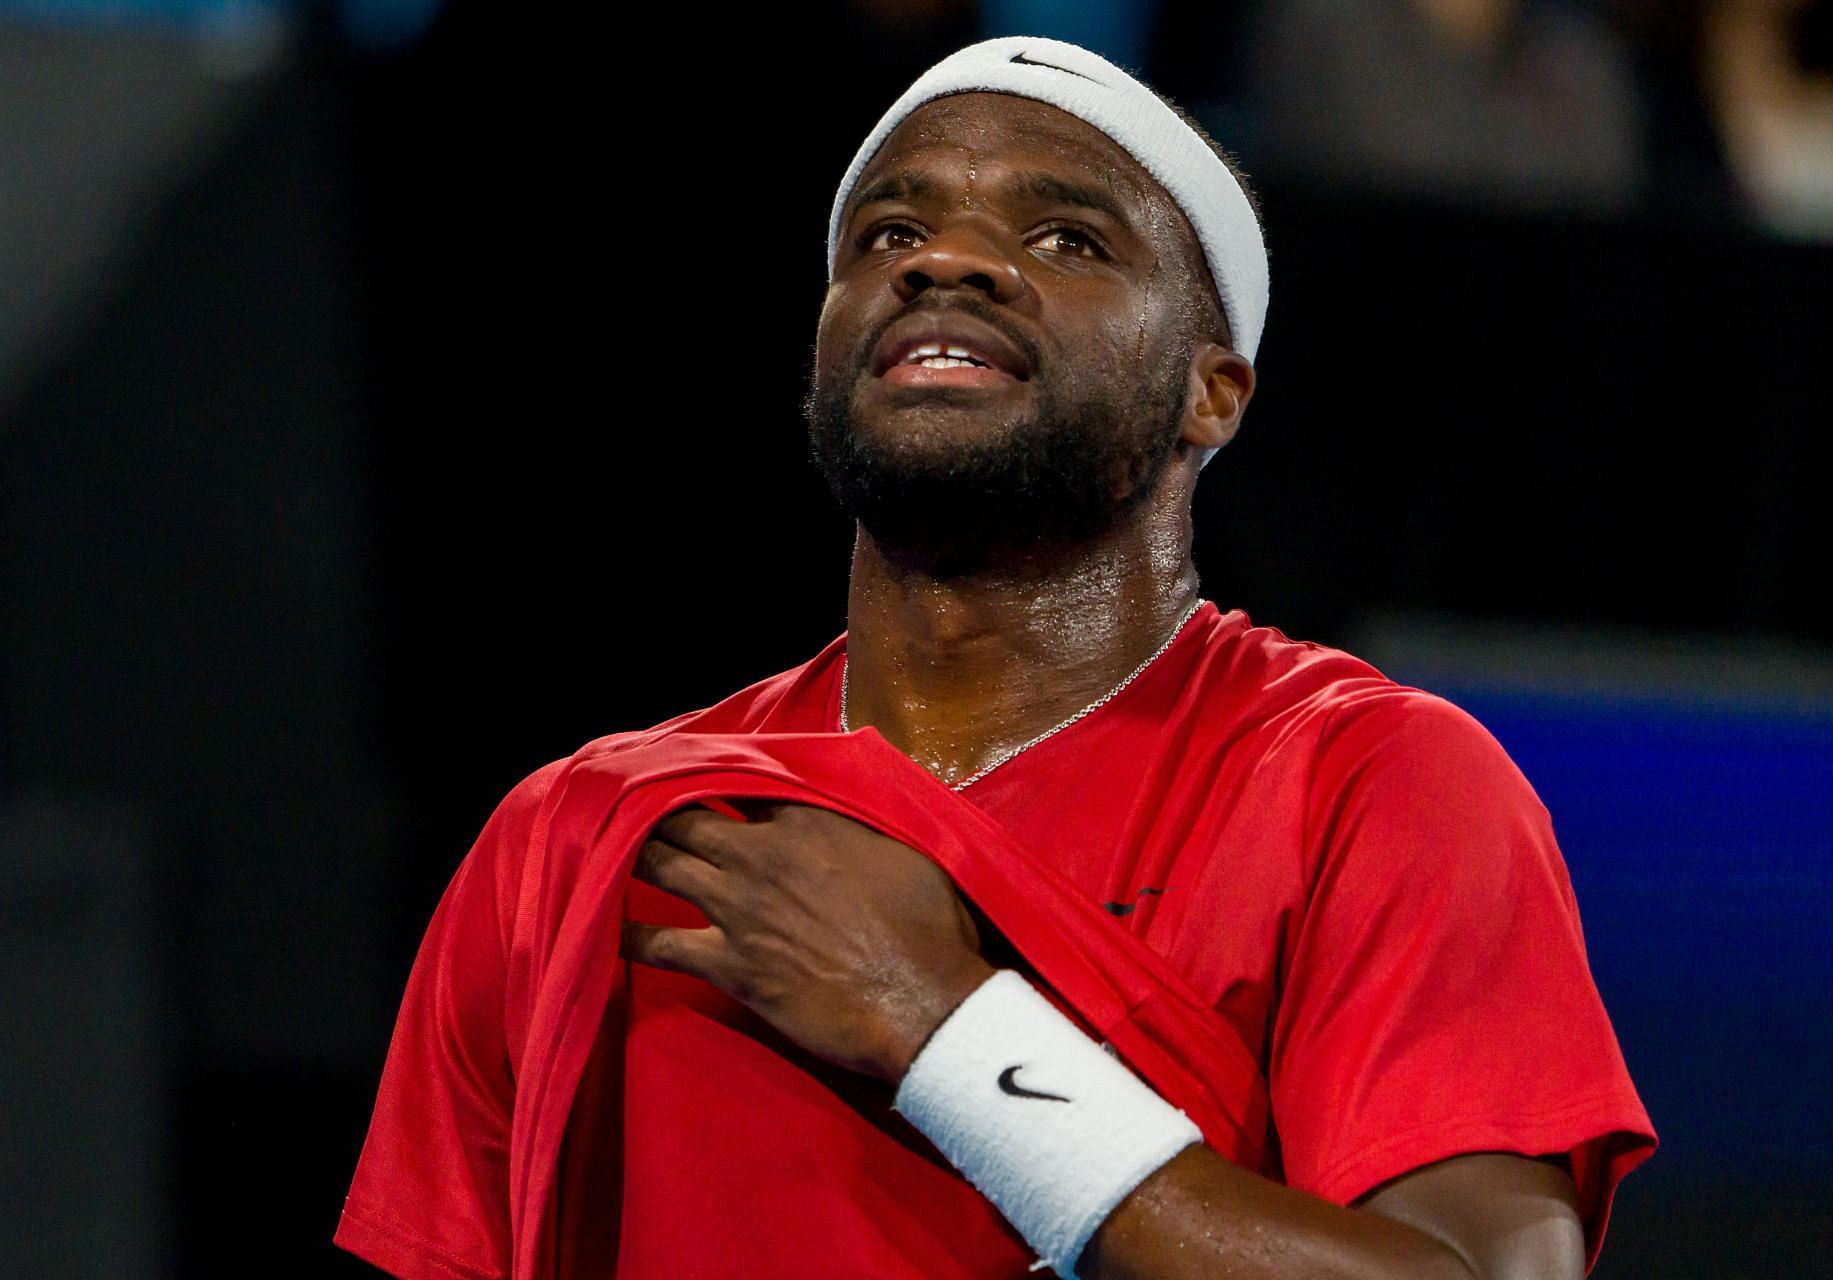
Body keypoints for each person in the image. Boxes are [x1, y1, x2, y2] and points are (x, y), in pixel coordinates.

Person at [336, 37, 1654, 1280]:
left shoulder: (1374, 782)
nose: (946, 262)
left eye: (1065, 236)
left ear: (1216, 391)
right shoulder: (575, 840)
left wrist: (950, 1036)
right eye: (891, 233)